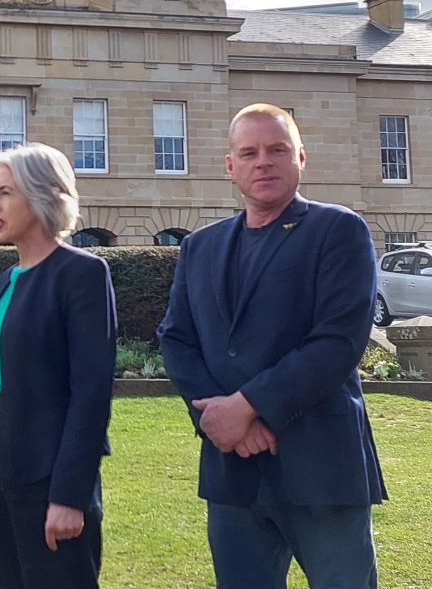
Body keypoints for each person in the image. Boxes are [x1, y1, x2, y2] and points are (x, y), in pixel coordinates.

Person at [158, 103, 386, 587]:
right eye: (249, 152)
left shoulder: (338, 230)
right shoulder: (199, 247)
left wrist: (248, 406)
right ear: (231, 165)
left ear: (300, 157)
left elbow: (337, 342)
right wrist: (220, 418)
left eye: (277, 149)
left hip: (320, 468)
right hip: (233, 473)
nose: (263, 161)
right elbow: (175, 338)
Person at [0, 143, 117, 588]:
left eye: (5, 192)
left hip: (48, 465)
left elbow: (91, 394)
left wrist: (69, 495)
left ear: (41, 196)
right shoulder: (5, 280)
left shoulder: (81, 274)